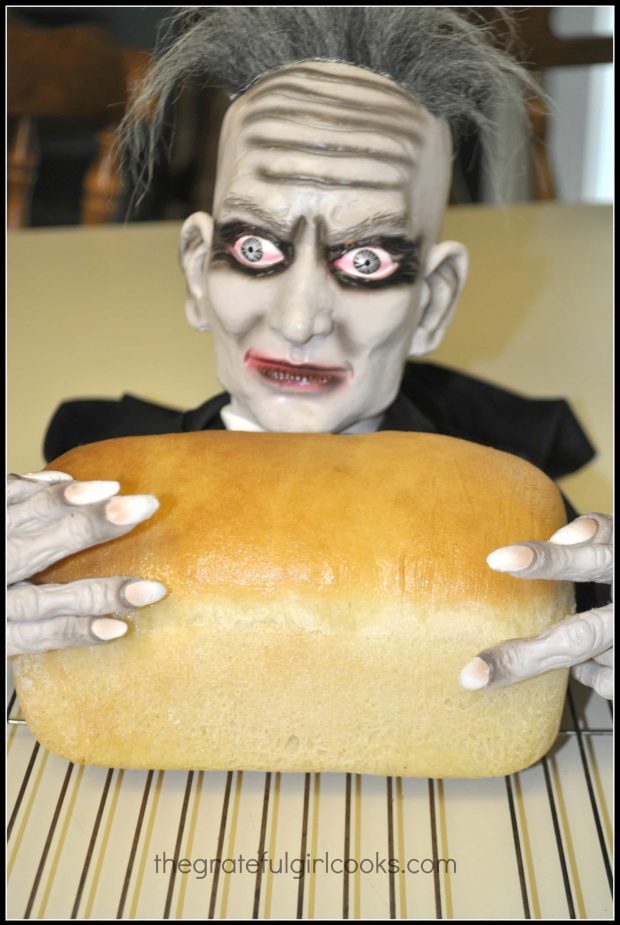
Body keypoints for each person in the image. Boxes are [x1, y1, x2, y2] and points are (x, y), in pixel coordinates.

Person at [7, 8, 612, 700]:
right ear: (200, 270)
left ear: (435, 302)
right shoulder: (84, 506)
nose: (299, 323)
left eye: (365, 259)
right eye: (256, 249)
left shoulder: (522, 531)